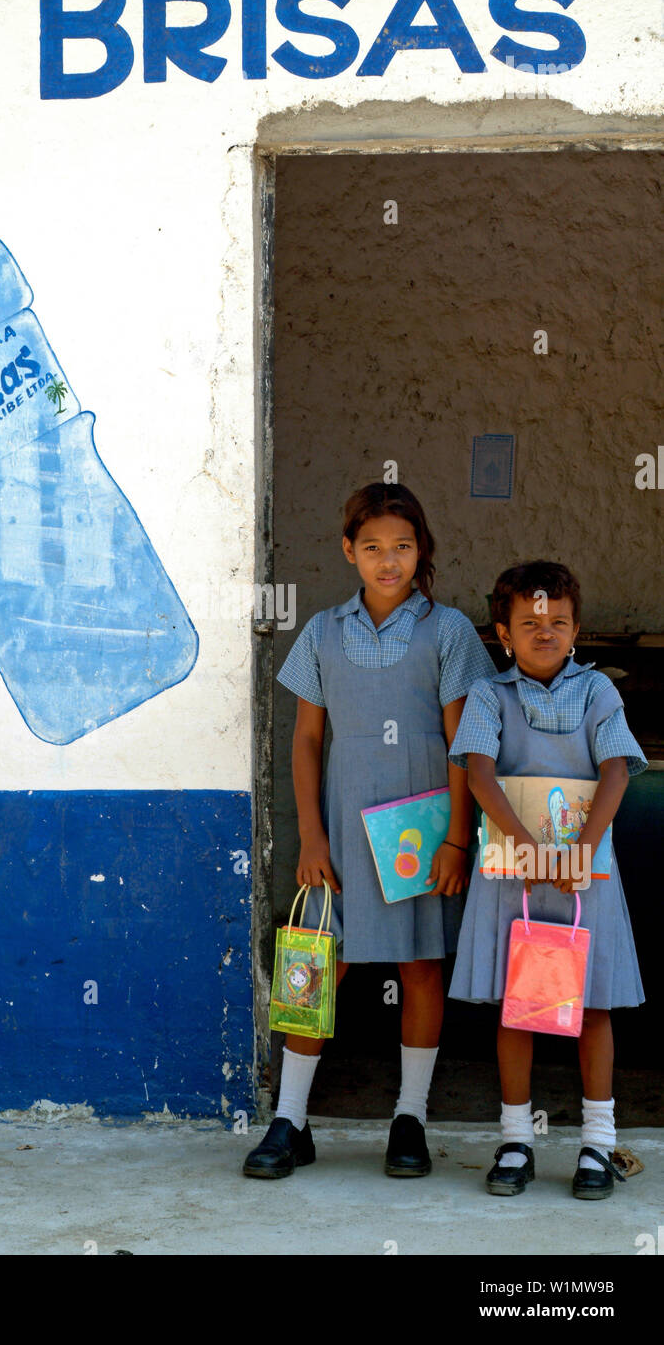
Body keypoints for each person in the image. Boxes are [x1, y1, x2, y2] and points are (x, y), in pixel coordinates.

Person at [243, 482, 495, 1179]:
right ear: (349, 551)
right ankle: (289, 1121)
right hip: (342, 828)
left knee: (419, 966)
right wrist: (312, 838)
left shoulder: (445, 632)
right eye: (374, 548)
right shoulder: (321, 631)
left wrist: (454, 838)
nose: (389, 562)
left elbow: (462, 741)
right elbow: (305, 742)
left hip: (420, 827)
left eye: (403, 547)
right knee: (316, 965)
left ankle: (408, 1117)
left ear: (422, 553)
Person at [448, 561, 646, 1199]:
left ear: (576, 629)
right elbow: (479, 771)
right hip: (516, 874)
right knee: (521, 1006)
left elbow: (615, 769)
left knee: (592, 1005)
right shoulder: (489, 695)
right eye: (529, 623)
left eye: (558, 622)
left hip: (587, 876)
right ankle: (515, 1138)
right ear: (503, 633)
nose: (545, 632)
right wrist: (529, 847)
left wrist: (581, 851)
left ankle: (597, 1143)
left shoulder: (598, 693)